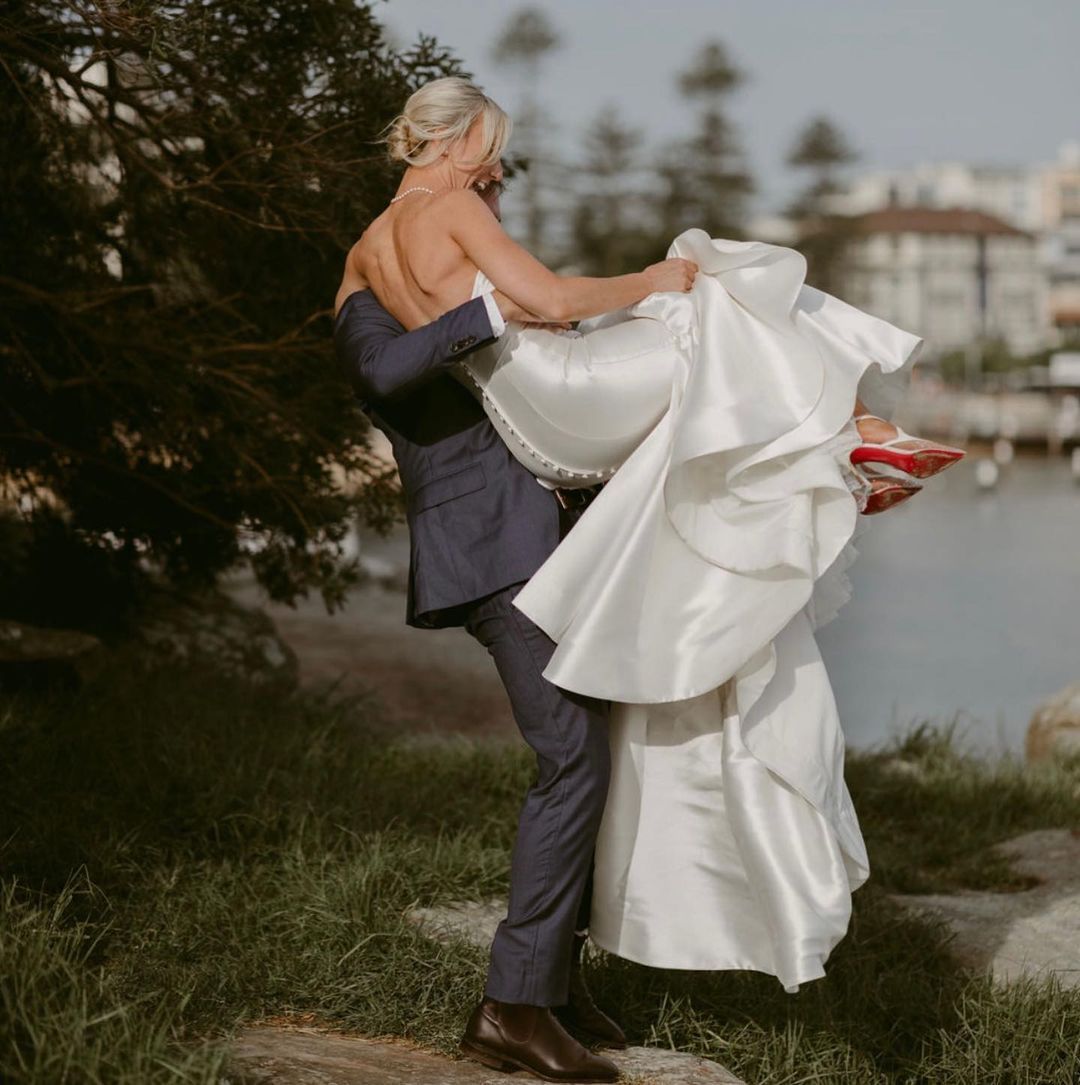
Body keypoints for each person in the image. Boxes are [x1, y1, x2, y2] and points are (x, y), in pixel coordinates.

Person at [333, 76, 964, 1083]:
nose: (498, 176)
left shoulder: (363, 256)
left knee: (604, 743)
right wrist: (578, 294)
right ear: (454, 145)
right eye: (492, 154)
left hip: (538, 520)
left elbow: (405, 355)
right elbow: (424, 353)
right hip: (502, 541)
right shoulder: (447, 211)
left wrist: (497, 319)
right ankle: (511, 1006)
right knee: (714, 288)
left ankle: (551, 982)